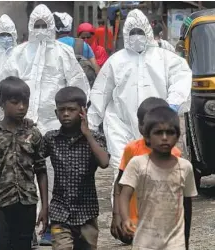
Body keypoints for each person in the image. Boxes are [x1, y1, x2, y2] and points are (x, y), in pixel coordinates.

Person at [0, 4, 90, 246]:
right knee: (22, 174)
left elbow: (77, 86)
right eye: (36, 26)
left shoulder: (63, 54)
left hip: (54, 126)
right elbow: (5, 86)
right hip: (23, 125)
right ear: (30, 27)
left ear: (51, 27)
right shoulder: (17, 55)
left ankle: (51, 223)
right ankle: (28, 227)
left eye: (44, 26)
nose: (40, 31)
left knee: (53, 175)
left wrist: (75, 120)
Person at [87, 9, 192, 195]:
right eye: (132, 32)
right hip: (121, 126)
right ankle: (122, 217)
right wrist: (90, 124)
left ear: (148, 31)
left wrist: (172, 105)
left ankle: (151, 217)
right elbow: (101, 92)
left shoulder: (165, 59)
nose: (136, 37)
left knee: (156, 172)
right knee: (123, 171)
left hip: (155, 127)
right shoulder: (116, 61)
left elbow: (181, 79)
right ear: (126, 34)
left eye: (140, 32)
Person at [0, 76, 48, 250]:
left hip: (28, 203)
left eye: (25, 103)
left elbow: (41, 170)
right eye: (15, 102)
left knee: (24, 245)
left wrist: (45, 207)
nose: (21, 107)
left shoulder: (34, 134)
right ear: (2, 103)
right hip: (2, 205)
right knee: (0, 245)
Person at [119, 106, 198, 249]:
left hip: (175, 242)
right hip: (144, 241)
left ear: (177, 136)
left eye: (170, 133)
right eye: (158, 133)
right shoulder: (137, 164)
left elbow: (187, 204)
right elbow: (124, 195)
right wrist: (125, 218)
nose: (164, 138)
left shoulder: (185, 167)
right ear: (147, 137)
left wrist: (186, 239)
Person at [43, 87, 109, 250]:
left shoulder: (96, 138)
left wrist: (87, 134)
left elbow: (104, 162)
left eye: (71, 110)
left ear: (82, 111)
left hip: (87, 212)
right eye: (61, 110)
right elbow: (35, 160)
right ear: (56, 112)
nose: (66, 114)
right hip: (60, 211)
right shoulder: (51, 139)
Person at [110, 97, 182, 245]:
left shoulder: (175, 154)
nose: (144, 128)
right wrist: (117, 215)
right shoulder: (132, 149)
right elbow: (120, 184)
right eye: (142, 123)